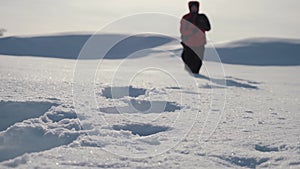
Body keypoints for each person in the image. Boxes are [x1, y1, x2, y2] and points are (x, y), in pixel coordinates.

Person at [180, 1, 211, 74]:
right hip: (189, 43)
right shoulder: (186, 18)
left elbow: (208, 28)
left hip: (200, 43)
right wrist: (193, 31)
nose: (194, 9)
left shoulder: (202, 17)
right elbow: (182, 31)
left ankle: (196, 75)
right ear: (189, 8)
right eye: (192, 7)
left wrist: (201, 25)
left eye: (195, 7)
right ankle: (190, 75)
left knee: (198, 61)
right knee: (187, 59)